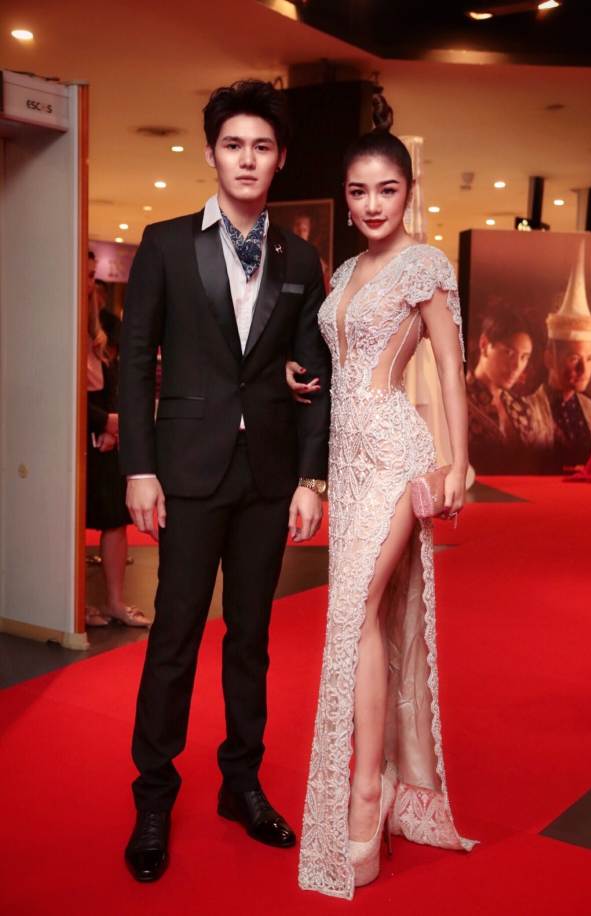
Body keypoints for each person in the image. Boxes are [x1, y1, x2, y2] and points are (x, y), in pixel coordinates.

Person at [118, 80, 331, 883]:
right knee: (174, 636)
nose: (247, 159)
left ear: (280, 159)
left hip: (268, 476)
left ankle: (241, 782)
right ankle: (153, 795)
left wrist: (311, 477)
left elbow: (317, 373)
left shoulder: (300, 258)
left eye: (262, 147)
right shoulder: (166, 244)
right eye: (234, 145)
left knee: (251, 639)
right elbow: (135, 360)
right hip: (185, 470)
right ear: (211, 153)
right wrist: (139, 465)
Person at [296, 94, 475, 901]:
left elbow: (449, 370)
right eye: (359, 192)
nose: (372, 204)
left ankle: (365, 793)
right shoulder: (343, 274)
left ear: (409, 191)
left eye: (387, 190)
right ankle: (377, 783)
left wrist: (456, 464)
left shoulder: (425, 266)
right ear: (347, 198)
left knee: (354, 612)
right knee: (359, 615)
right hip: (346, 460)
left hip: (397, 454)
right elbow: (337, 360)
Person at [86, 251, 151, 628]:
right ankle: (71, 606)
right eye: (85, 275)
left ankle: (114, 602)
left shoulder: (103, 327)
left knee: (114, 518)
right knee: (71, 521)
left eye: (93, 275)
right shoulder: (58, 322)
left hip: (104, 436)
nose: (91, 283)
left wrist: (112, 425)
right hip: (75, 436)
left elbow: (114, 382)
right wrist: (104, 422)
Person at [526, 239, 591, 473]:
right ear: (549, 357)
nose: (584, 370)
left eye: (590, 359)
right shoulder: (526, 411)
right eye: (574, 358)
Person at [466, 305, 534, 473]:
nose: (517, 366)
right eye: (509, 353)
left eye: (524, 357)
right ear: (484, 345)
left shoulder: (522, 407)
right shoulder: (457, 400)